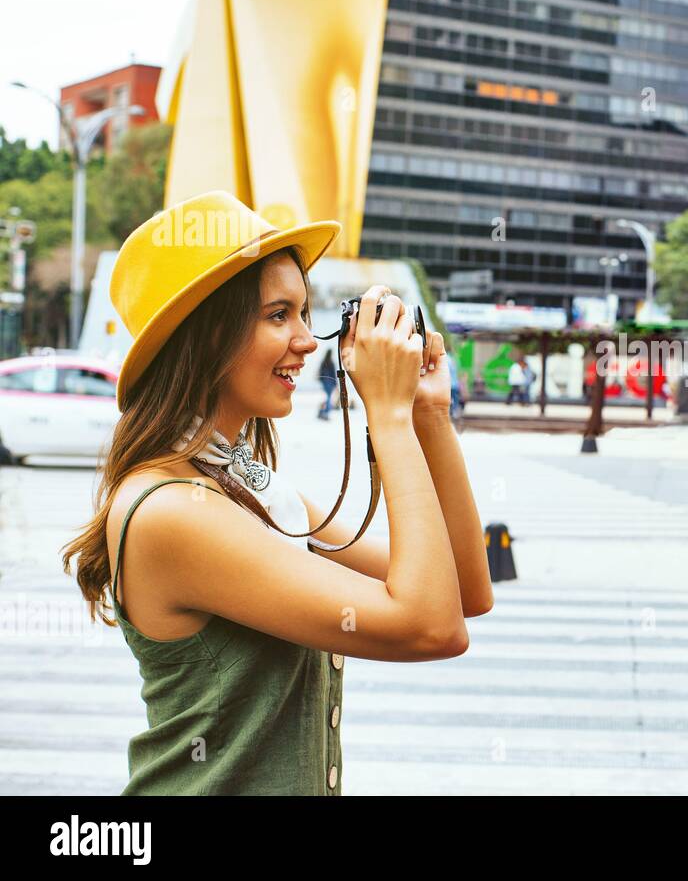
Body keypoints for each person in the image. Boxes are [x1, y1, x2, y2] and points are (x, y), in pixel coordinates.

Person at [59, 191, 493, 795]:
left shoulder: (248, 488)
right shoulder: (172, 511)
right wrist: (386, 419)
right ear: (206, 335)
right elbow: (430, 627)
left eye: (305, 313)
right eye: (277, 315)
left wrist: (428, 414)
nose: (308, 342)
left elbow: (466, 591)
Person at [317, 349, 337, 420]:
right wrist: (336, 384)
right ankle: (324, 412)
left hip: (325, 383)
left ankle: (322, 411)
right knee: (329, 398)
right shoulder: (331, 363)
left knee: (328, 398)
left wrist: (321, 380)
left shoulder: (324, 362)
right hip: (330, 383)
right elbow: (333, 374)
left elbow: (320, 372)